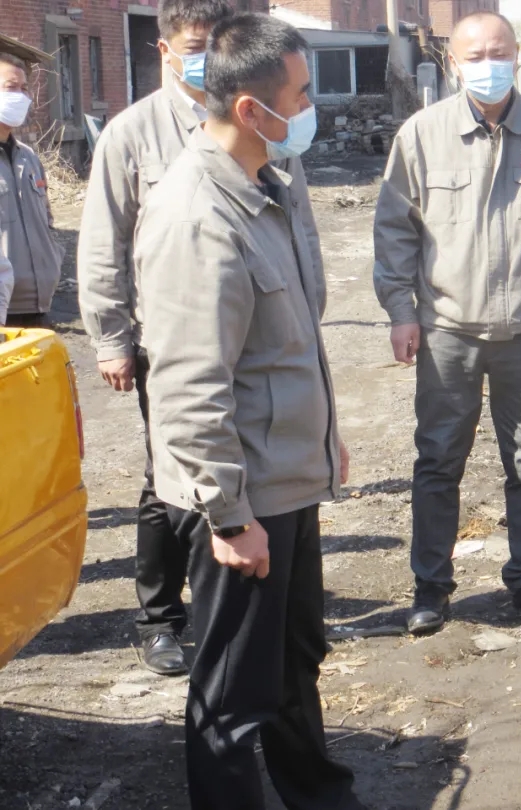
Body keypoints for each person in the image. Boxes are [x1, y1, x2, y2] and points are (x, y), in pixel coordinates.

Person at [133, 13, 362, 810]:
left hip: (285, 476)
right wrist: (229, 517)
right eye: (299, 95)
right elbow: (190, 384)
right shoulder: (197, 213)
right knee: (233, 691)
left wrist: (324, 442)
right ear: (249, 109)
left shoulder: (271, 185)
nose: (309, 109)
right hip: (240, 496)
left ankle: (318, 794)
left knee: (295, 659)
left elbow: (286, 345)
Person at [77, 0, 323, 677]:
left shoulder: (268, 139)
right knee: (174, 483)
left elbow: (298, 232)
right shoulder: (137, 137)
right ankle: (162, 616)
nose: (208, 55)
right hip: (179, 340)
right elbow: (104, 245)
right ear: (164, 50)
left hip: (262, 335)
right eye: (195, 45)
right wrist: (111, 336)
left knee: (281, 640)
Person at [373, 10, 521, 636]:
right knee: (437, 462)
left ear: (518, 56)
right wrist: (401, 311)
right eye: (474, 56)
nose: (488, 65)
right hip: (446, 331)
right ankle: (431, 589)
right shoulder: (421, 136)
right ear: (453, 62)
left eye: (499, 53)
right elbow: (394, 232)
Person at [0, 52, 63, 329]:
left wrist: (53, 259)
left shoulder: (28, 157)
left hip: (39, 306)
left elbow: (46, 219)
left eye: (24, 88)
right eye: (11, 87)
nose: (21, 96)